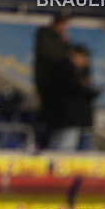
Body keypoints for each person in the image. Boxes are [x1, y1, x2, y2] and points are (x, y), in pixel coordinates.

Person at [33, 12, 71, 149]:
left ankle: (48, 144)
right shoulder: (45, 35)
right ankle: (39, 143)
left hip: (56, 85)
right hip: (47, 82)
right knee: (46, 116)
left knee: (54, 118)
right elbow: (53, 56)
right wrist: (64, 45)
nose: (65, 29)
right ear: (58, 23)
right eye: (64, 25)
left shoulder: (56, 38)